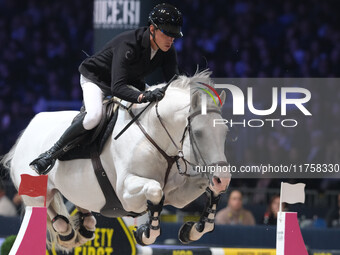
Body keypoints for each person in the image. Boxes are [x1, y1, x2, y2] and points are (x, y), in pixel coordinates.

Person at [29, 3, 183, 175]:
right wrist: (143, 96)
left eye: (174, 36)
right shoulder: (129, 45)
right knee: (94, 117)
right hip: (97, 80)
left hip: (129, 81)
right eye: (167, 34)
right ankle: (50, 154)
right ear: (153, 29)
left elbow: (174, 82)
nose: (171, 40)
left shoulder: (167, 49)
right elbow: (117, 87)